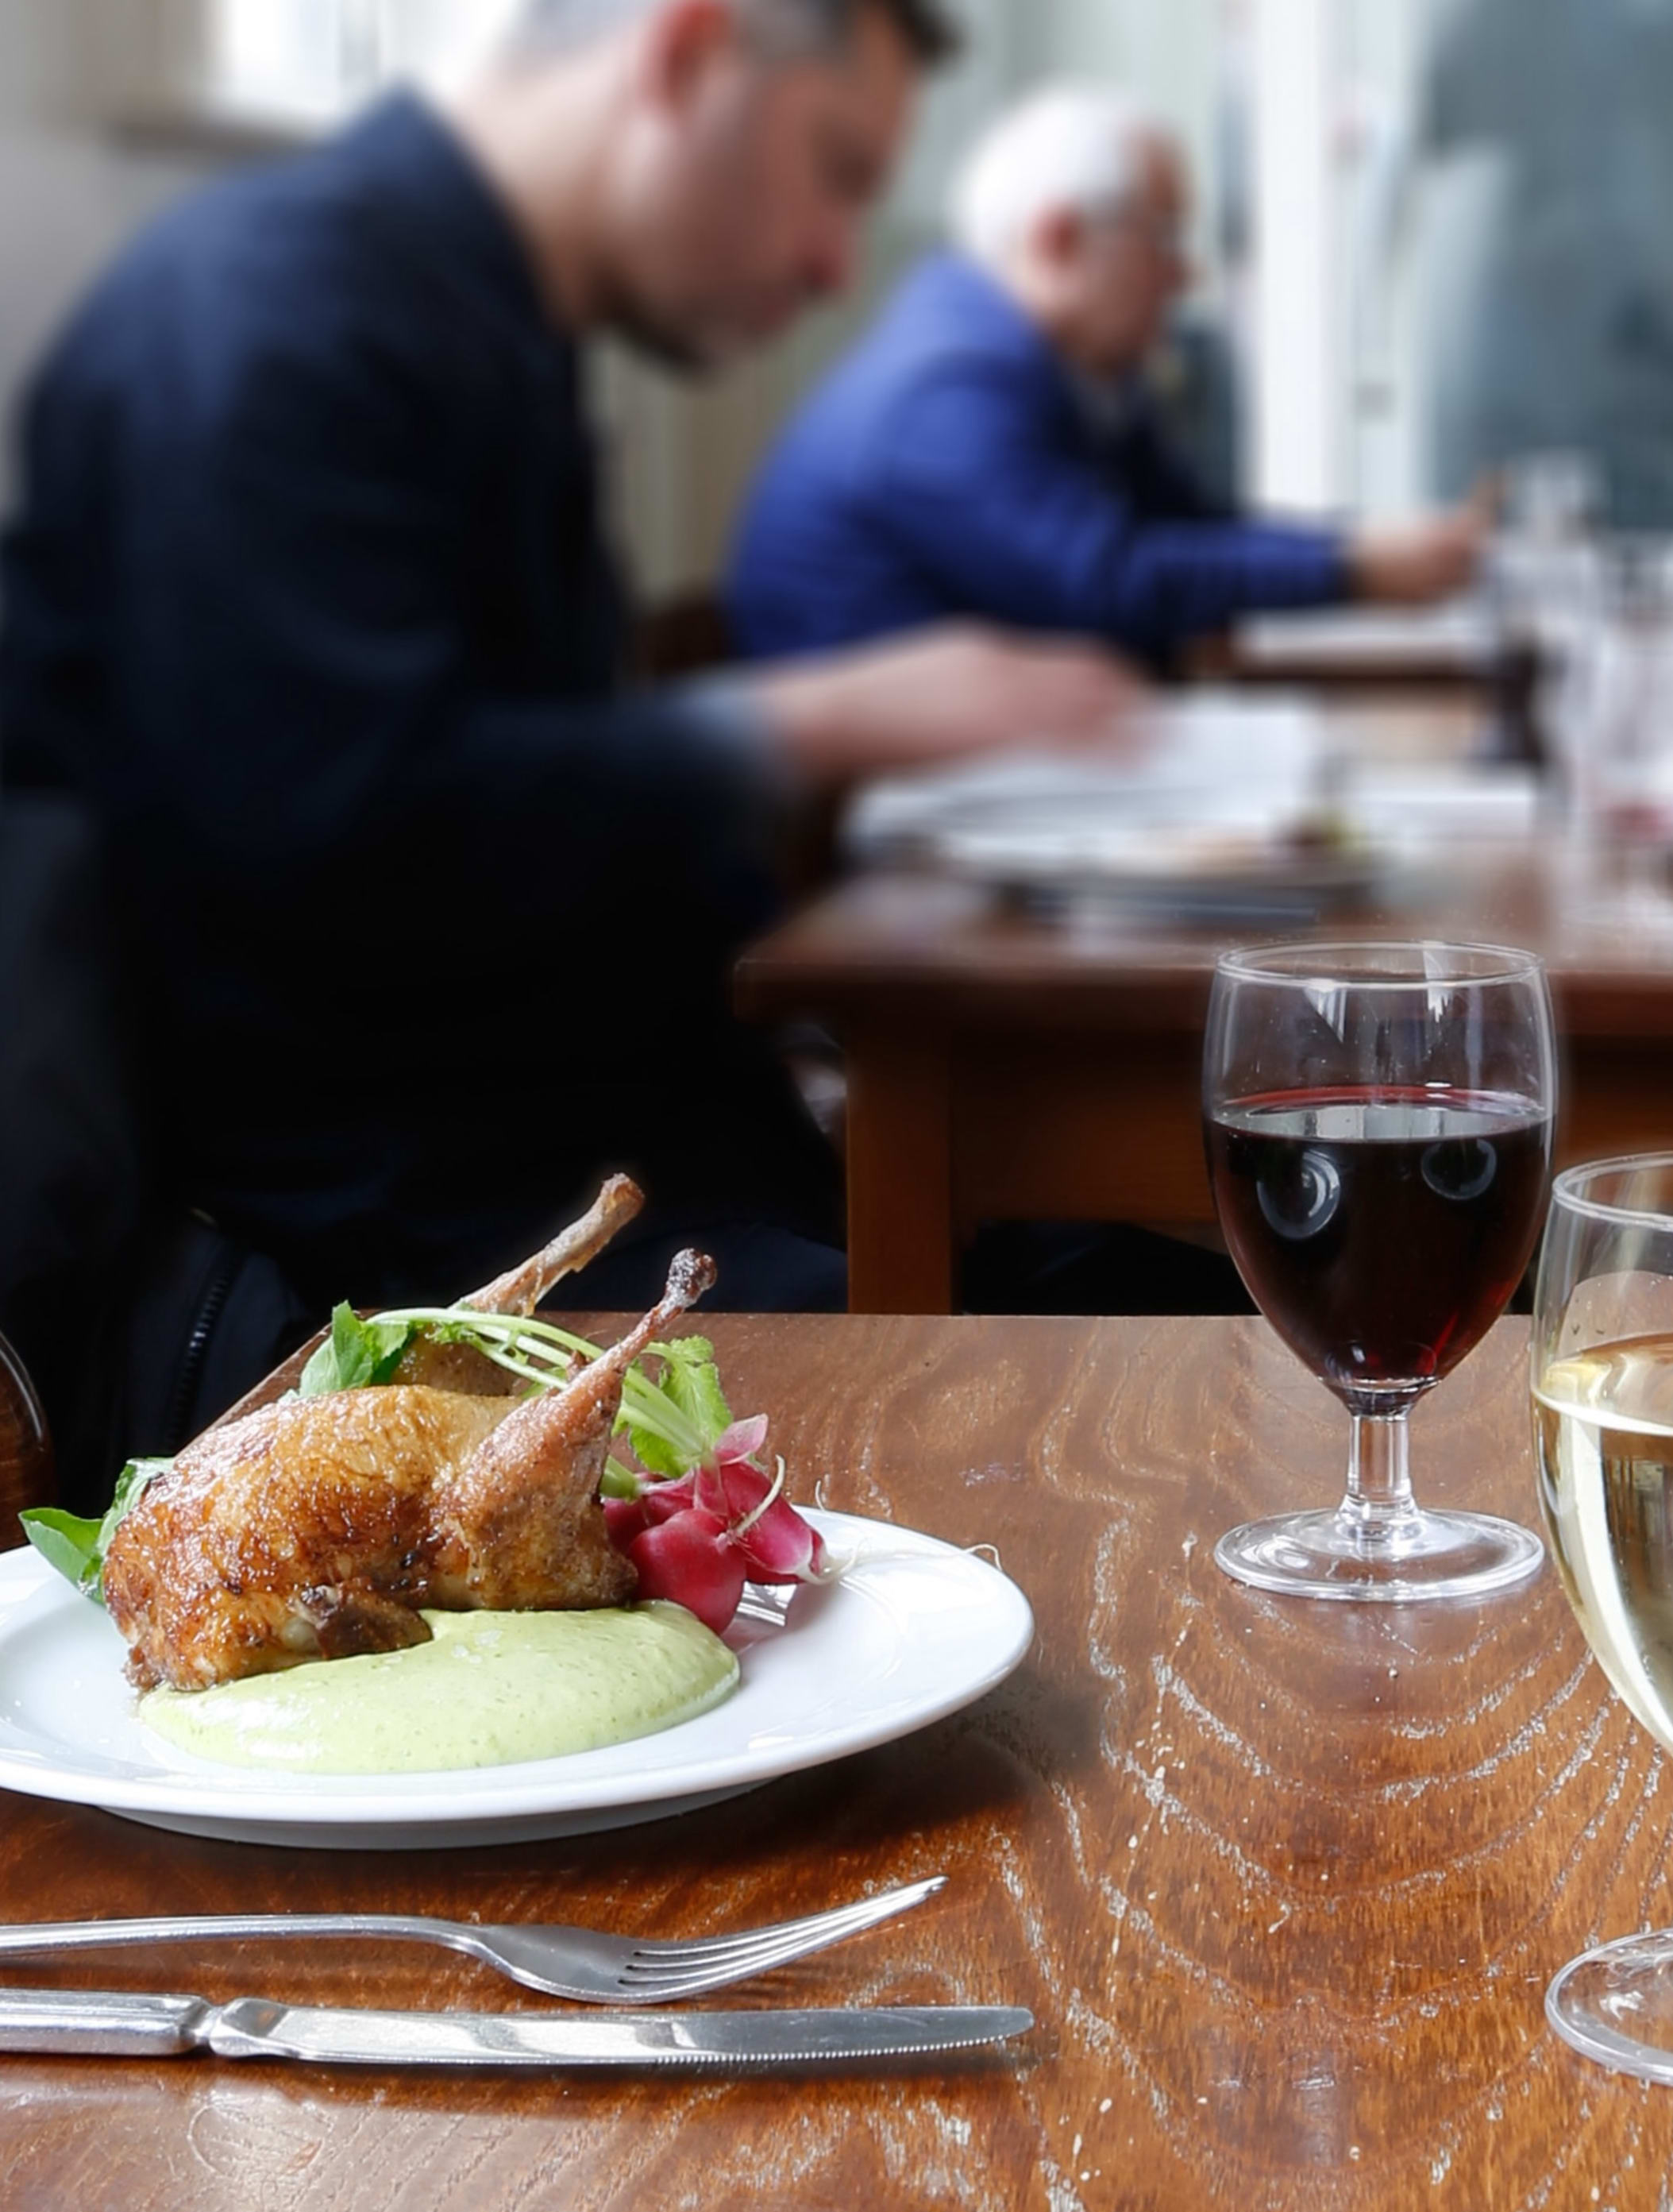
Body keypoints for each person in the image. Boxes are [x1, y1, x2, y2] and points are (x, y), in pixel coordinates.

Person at [0, 0, 1143, 1384]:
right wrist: (812, 721)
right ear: (685, 54)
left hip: (655, 1177)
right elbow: (343, 844)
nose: (838, 261)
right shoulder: (261, 315)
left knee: (1173, 1270)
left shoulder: (479, 330)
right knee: (1111, 1390)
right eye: (836, 169)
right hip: (426, 1273)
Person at [727, 83, 1488, 677]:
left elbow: (1193, 530)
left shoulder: (1077, 369)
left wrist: (1365, 545)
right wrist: (1353, 567)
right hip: (895, 844)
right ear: (1057, 240)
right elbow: (1109, 584)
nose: (1185, 276)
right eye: (1163, 239)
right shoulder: (944, 393)